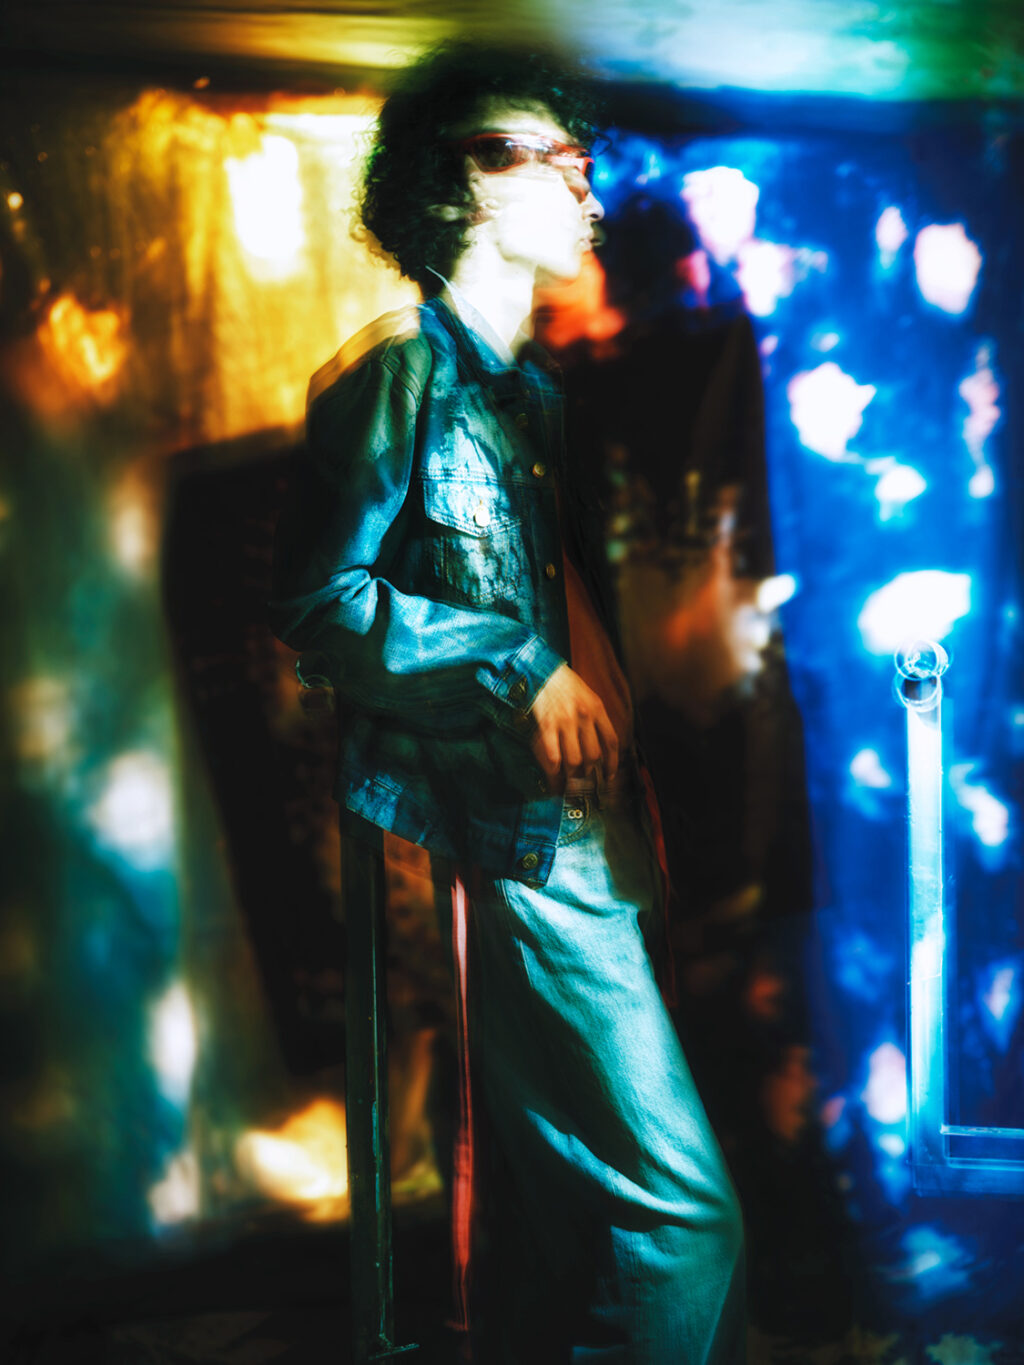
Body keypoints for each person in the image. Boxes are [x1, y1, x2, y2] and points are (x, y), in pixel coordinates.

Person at [269, 41, 746, 1364]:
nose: (586, 188)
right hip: (532, 852)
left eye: (585, 159)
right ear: (463, 183)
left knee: (559, 1233)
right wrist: (512, 666)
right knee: (683, 1220)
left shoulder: (528, 393)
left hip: (590, 833)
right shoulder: (399, 376)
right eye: (546, 158)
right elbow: (318, 601)